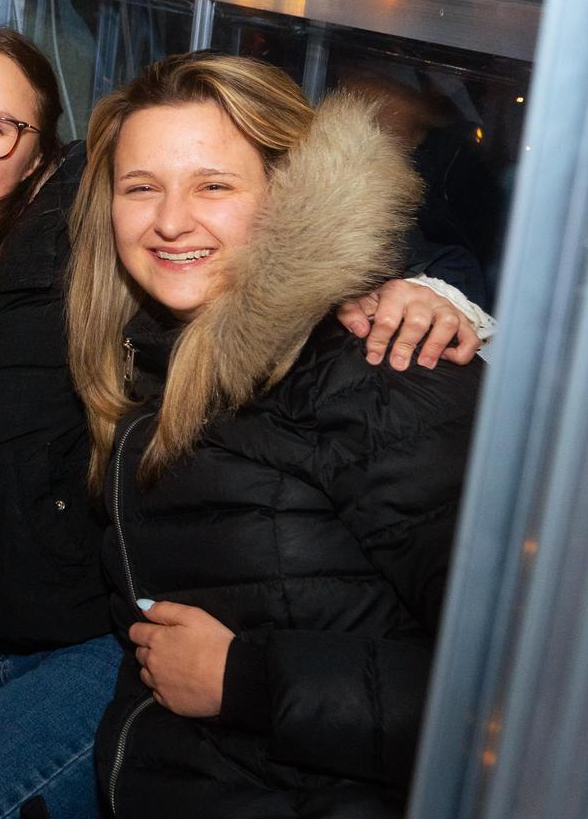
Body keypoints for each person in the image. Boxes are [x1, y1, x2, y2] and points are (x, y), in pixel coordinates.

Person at [0, 29, 484, 818]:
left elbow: (519, 679)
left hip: (102, 651)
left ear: (45, 159)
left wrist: (438, 295)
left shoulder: (76, 244)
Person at [65, 53, 484, 817]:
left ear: (289, 196)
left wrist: (248, 679)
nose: (169, 221)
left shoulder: (377, 369)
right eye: (141, 188)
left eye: (213, 185)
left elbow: (528, 692)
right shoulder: (152, 357)